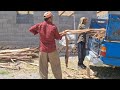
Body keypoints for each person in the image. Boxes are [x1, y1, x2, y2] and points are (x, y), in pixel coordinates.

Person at [29, 11, 66, 79]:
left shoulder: (40, 25)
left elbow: (31, 29)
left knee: (43, 68)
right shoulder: (53, 27)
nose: (52, 18)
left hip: (42, 50)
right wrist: (62, 35)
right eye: (52, 17)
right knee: (56, 66)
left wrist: (38, 31)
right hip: (52, 50)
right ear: (50, 18)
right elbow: (57, 37)